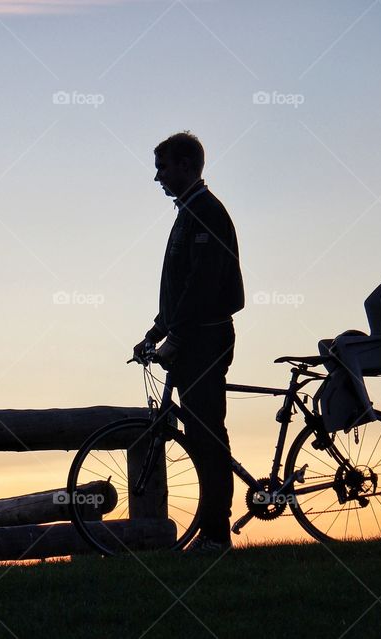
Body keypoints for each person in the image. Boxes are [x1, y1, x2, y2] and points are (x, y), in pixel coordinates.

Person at [133, 131, 245, 553]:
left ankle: (216, 535)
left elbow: (201, 286)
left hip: (205, 340)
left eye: (163, 166)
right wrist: (155, 332)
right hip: (192, 337)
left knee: (206, 435)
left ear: (185, 165)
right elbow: (181, 290)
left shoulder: (205, 213)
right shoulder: (190, 212)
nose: (157, 176)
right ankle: (212, 531)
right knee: (200, 433)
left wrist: (174, 336)